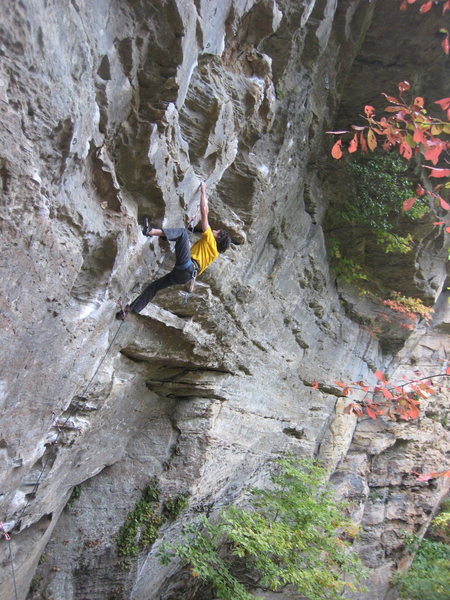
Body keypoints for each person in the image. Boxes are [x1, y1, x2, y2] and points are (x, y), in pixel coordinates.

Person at [116, 183, 231, 319]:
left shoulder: (210, 239)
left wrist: (203, 191)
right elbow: (189, 250)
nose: (215, 230)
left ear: (218, 238)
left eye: (217, 232)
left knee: (182, 233)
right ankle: (128, 311)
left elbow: (204, 211)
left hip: (187, 267)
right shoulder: (213, 253)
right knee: (154, 287)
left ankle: (150, 231)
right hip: (184, 275)